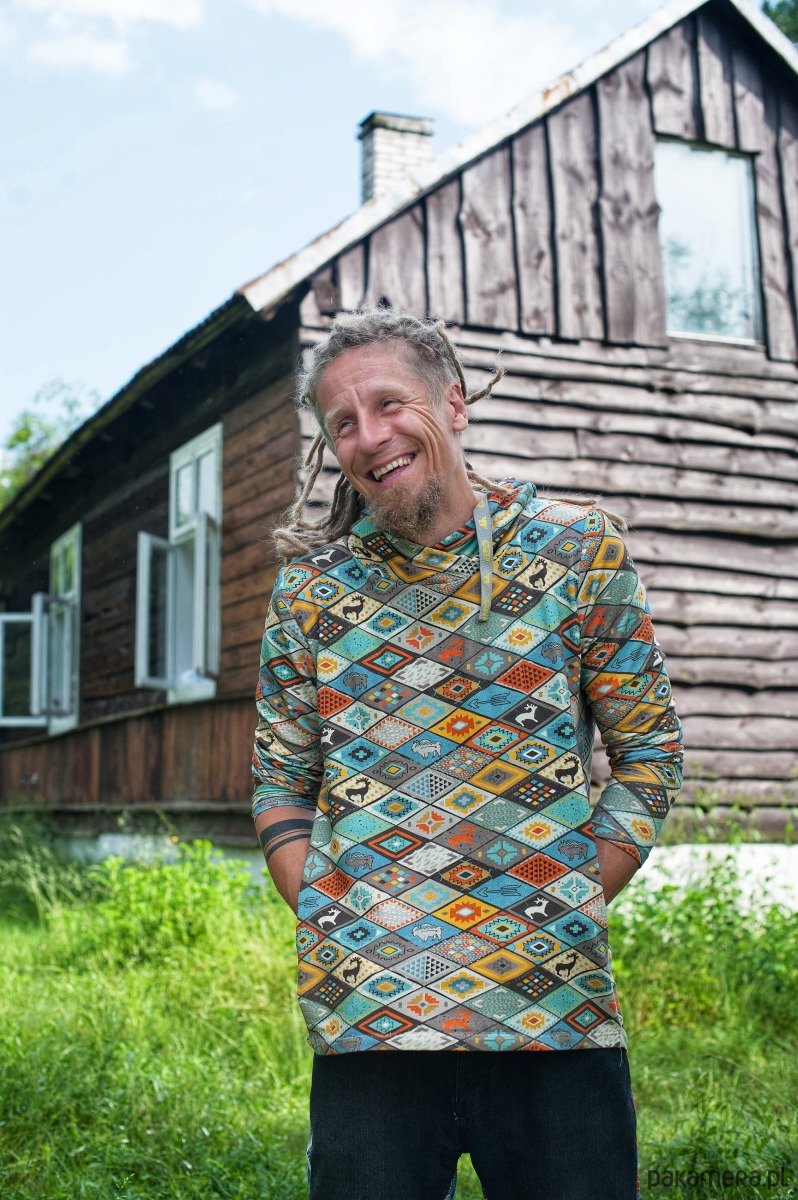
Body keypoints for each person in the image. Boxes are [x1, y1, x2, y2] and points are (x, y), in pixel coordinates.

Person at [252, 307, 683, 1200]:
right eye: (343, 422)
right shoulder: (309, 592)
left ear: (453, 403)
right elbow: (279, 784)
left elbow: (649, 754)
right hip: (370, 1018)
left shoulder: (577, 550)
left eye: (389, 404)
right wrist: (337, 914)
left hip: (553, 1010)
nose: (370, 437)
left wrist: (562, 895)